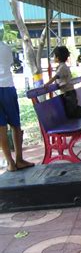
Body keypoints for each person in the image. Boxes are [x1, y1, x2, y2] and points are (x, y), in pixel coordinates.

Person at [0, 41, 34, 172]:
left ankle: (10, 163)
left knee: (1, 128)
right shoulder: (5, 48)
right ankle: (19, 159)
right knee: (15, 124)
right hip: (7, 87)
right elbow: (9, 63)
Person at [44, 46, 81, 118]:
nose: (53, 57)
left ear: (58, 57)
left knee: (72, 114)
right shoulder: (63, 66)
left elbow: (56, 76)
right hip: (69, 93)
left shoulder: (62, 67)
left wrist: (47, 84)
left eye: (54, 56)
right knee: (73, 111)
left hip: (68, 94)